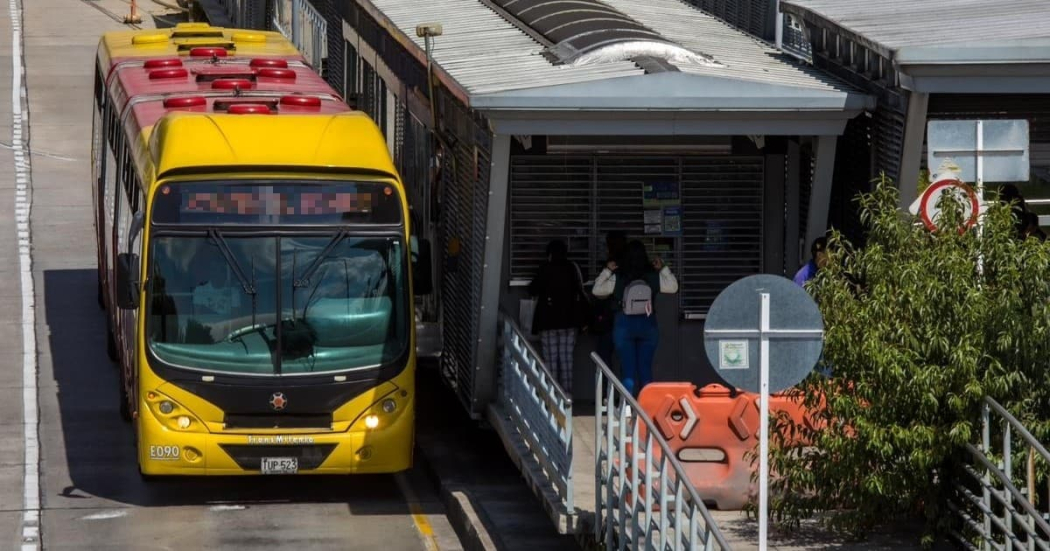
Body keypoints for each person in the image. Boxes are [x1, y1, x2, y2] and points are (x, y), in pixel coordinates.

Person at [592, 240, 678, 397]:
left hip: (624, 325)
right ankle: (647, 407)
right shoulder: (652, 275)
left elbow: (597, 290)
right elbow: (673, 287)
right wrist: (664, 268)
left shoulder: (618, 276)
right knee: (645, 369)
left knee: (628, 369)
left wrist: (607, 271)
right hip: (648, 324)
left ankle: (627, 408)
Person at [528, 240, 587, 395]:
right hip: (570, 321)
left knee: (551, 361)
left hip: (548, 322)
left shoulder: (545, 269)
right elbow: (583, 284)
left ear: (549, 254)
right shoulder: (572, 268)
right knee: (567, 360)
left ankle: (552, 395)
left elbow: (532, 289)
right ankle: (567, 395)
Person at [592, 231, 627, 368]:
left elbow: (597, 291)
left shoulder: (613, 266)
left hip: (609, 317)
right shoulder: (631, 267)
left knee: (604, 355)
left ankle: (606, 388)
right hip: (628, 318)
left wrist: (606, 270)